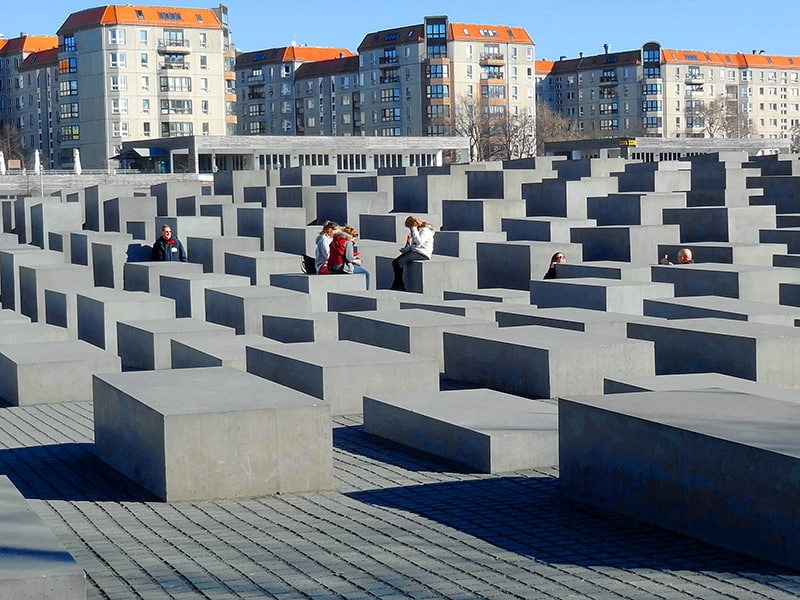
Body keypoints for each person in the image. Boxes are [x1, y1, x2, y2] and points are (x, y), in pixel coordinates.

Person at [391, 216, 435, 291]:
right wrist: (406, 250)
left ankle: (398, 285)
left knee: (399, 263)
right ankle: (399, 284)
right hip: (416, 251)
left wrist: (414, 229)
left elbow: (419, 243)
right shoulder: (418, 230)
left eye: (409, 227)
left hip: (423, 253)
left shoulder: (425, 230)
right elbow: (413, 245)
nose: (410, 229)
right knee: (395, 262)